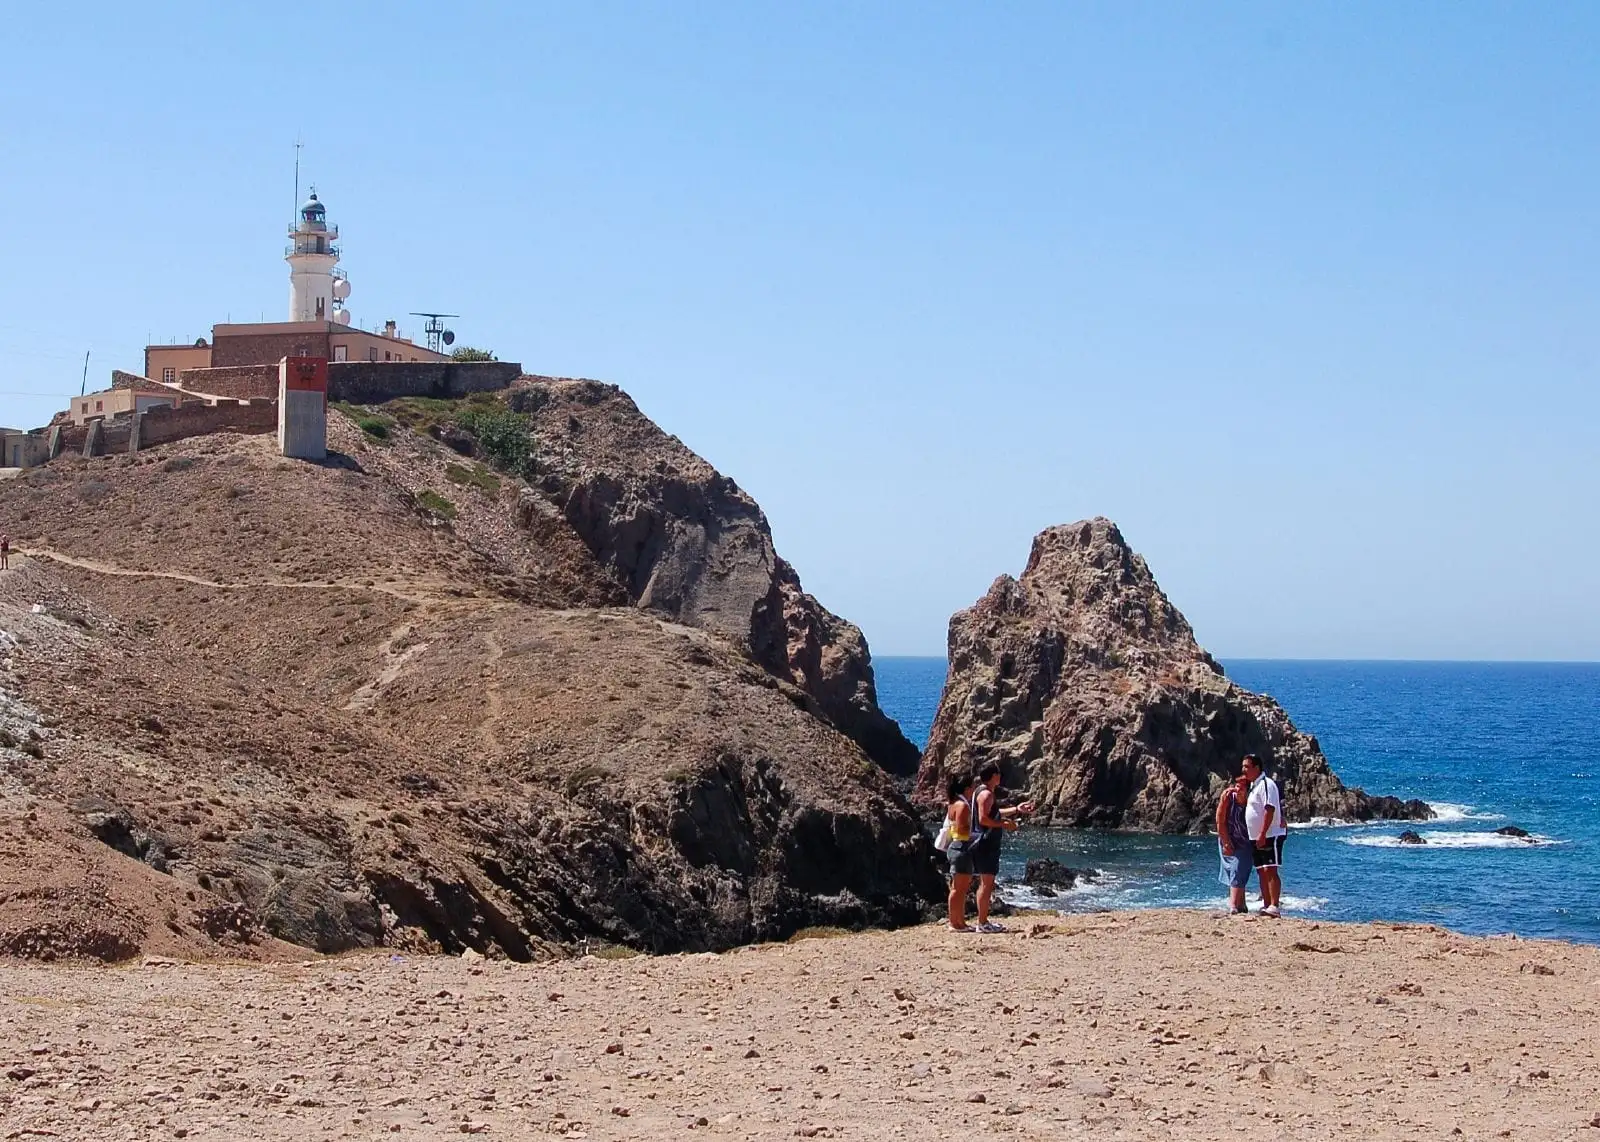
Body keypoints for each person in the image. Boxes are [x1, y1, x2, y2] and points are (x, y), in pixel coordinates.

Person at [970, 762, 1035, 933]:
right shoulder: (986, 795)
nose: (1000, 776)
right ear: (993, 776)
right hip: (986, 843)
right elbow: (984, 819)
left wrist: (1016, 809)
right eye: (998, 774)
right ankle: (982, 923)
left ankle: (983, 921)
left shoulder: (983, 792)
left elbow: (994, 812)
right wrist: (1004, 825)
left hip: (985, 843)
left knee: (986, 883)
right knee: (987, 883)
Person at [1242, 754, 1287, 917]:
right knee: (1261, 870)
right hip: (1255, 836)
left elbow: (1270, 808)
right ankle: (1266, 904)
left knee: (1270, 868)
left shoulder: (1266, 784)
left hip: (1270, 834)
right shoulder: (1254, 786)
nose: (1243, 770)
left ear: (1256, 768)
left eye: (1246, 766)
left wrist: (1262, 833)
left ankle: (1274, 905)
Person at [942, 773, 978, 932]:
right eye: (972, 787)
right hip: (961, 846)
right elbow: (963, 829)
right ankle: (955, 923)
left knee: (959, 888)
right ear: (967, 789)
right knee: (959, 888)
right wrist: (977, 833)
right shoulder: (962, 806)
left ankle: (959, 921)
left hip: (956, 847)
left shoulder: (953, 803)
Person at [1215, 773, 1253, 914]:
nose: (1237, 790)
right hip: (1228, 838)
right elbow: (1220, 820)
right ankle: (1235, 905)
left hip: (1246, 841)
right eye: (1236, 786)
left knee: (1240, 869)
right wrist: (1225, 842)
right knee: (1235, 870)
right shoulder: (1228, 799)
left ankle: (1239, 904)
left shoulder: (1251, 801)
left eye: (1241, 788)